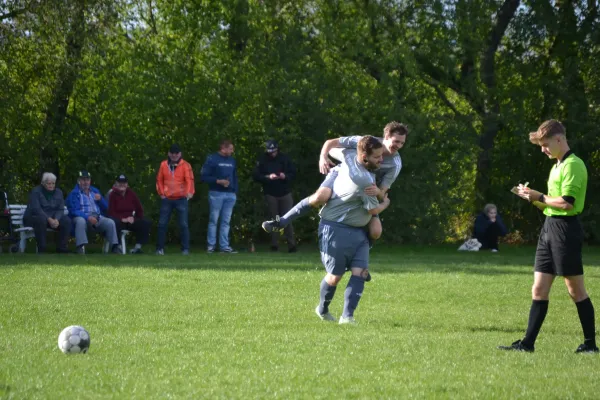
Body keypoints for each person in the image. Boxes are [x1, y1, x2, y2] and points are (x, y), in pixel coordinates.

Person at [498, 119, 597, 353]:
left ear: (559, 139)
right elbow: (549, 206)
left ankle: (591, 345)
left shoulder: (574, 165)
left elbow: (566, 203)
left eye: (545, 144)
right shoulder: (556, 166)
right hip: (549, 228)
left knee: (576, 291)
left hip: (566, 230)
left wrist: (539, 196)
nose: (543, 149)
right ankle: (527, 344)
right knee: (539, 289)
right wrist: (531, 198)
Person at [262, 122, 407, 245]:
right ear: (386, 137)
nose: (399, 146)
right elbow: (331, 143)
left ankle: (361, 256)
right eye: (396, 141)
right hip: (342, 174)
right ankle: (282, 221)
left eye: (402, 143)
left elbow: (383, 192)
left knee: (376, 232)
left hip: (365, 192)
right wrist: (323, 157)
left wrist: (378, 193)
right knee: (320, 197)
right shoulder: (366, 142)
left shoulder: (395, 164)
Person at [315, 136, 391, 325]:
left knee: (361, 272)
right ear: (365, 158)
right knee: (335, 277)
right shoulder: (362, 178)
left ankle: (347, 317)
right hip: (337, 229)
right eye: (377, 157)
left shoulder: (368, 174)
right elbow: (373, 210)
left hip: (359, 232)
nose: (382, 160)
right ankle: (322, 309)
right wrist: (385, 203)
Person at [252, 139, 297, 252]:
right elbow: (256, 175)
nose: (272, 153)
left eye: (274, 151)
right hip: (270, 193)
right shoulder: (262, 159)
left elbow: (293, 173)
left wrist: (284, 176)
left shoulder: (284, 158)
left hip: (285, 193)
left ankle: (291, 245)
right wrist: (268, 177)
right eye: (270, 151)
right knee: (274, 219)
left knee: (287, 218)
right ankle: (274, 245)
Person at [66, 170, 121, 255]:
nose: (85, 182)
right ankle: (80, 247)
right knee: (80, 220)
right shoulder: (74, 193)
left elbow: (107, 208)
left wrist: (100, 200)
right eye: (83, 180)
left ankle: (115, 247)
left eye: (87, 180)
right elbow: (74, 210)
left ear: (90, 181)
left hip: (97, 218)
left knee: (110, 222)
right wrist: (88, 217)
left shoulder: (95, 191)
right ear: (79, 181)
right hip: (84, 218)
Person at [156, 144, 195, 255]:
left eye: (176, 153)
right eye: (172, 153)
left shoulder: (185, 165)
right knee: (162, 224)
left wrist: (189, 193)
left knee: (183, 224)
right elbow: (159, 180)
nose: (174, 155)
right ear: (169, 153)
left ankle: (185, 249)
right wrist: (161, 194)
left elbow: (189, 180)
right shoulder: (163, 165)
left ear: (180, 154)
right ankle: (159, 249)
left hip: (181, 198)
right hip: (167, 198)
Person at [201, 139, 238, 253]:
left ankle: (224, 246)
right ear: (223, 148)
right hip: (216, 193)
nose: (232, 151)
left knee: (226, 221)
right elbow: (204, 176)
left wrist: (235, 191)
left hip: (230, 194)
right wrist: (218, 181)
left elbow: (235, 176)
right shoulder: (212, 159)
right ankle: (211, 246)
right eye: (230, 149)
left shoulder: (232, 160)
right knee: (214, 220)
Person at [23, 172, 71, 253]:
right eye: (49, 183)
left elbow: (60, 209)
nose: (51, 185)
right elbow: (36, 209)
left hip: (51, 219)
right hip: (34, 218)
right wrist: (49, 219)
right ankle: (42, 248)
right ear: (43, 183)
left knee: (66, 221)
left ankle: (62, 249)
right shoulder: (36, 191)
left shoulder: (59, 192)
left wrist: (56, 219)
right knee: (41, 219)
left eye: (53, 183)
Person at [108, 174, 152, 254]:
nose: (122, 184)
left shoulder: (131, 194)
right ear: (116, 183)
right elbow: (111, 212)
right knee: (114, 222)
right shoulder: (112, 195)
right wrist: (122, 219)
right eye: (120, 182)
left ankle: (137, 248)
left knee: (145, 222)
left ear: (127, 184)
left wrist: (133, 218)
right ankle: (117, 247)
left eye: (124, 182)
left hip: (130, 220)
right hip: (119, 220)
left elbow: (139, 210)